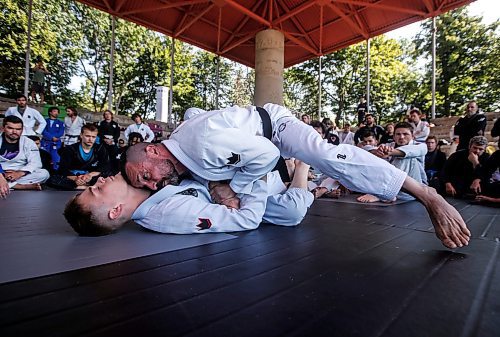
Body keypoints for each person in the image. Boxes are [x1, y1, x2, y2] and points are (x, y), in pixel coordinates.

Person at [121, 103, 470, 249]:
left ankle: (426, 194)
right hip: (247, 152)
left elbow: (269, 154)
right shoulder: (180, 156)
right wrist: (219, 185)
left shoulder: (201, 144)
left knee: (324, 155)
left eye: (145, 175)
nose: (152, 183)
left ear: (152, 150)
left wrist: (228, 189)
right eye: (146, 186)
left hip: (275, 128)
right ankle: (296, 190)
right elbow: (195, 112)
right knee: (286, 216)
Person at [64, 161, 314, 236]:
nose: (100, 181)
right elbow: (247, 219)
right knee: (291, 213)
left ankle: (288, 174)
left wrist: (213, 182)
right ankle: (301, 170)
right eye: (96, 190)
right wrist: (256, 176)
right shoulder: (169, 214)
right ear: (115, 211)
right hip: (248, 190)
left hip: (225, 177)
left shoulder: (141, 177)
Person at [357, 122, 427, 203]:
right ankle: (385, 193)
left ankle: (384, 193)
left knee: (404, 158)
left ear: (412, 135)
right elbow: (365, 148)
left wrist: (391, 152)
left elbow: (418, 150)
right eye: (398, 134)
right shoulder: (389, 145)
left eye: (405, 134)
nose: (401, 137)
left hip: (413, 191)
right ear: (393, 136)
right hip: (395, 190)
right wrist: (376, 151)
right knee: (373, 158)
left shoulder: (420, 146)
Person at [48, 124, 111, 190]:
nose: (90, 139)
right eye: (87, 136)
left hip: (91, 177)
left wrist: (90, 175)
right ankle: (85, 187)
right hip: (73, 177)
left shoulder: (100, 149)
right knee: (53, 179)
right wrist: (76, 178)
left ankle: (79, 187)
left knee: (108, 176)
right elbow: (63, 169)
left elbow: (105, 167)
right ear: (81, 135)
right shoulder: (70, 149)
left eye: (93, 137)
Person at [0, 116, 49, 190]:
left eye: (18, 129)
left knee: (44, 174)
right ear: (3, 128)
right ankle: (18, 186)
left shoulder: (29, 142)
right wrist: (2, 174)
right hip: (1, 172)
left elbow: (36, 163)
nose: (14, 132)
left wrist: (19, 173)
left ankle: (8, 185)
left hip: (20, 172)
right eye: (10, 128)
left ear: (22, 130)